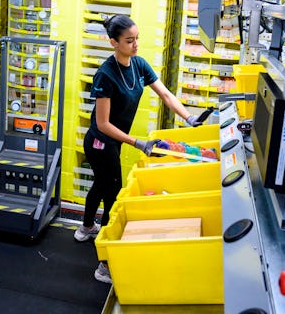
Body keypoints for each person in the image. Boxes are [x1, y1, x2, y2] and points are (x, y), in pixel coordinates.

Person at [73, 14, 202, 284]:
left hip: (114, 142)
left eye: (137, 39)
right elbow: (103, 123)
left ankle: (86, 229)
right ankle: (104, 267)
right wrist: (137, 143)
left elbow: (166, 95)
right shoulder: (106, 74)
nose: (135, 45)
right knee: (113, 197)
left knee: (102, 183)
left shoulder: (139, 65)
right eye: (129, 41)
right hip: (100, 143)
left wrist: (189, 118)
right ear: (113, 43)